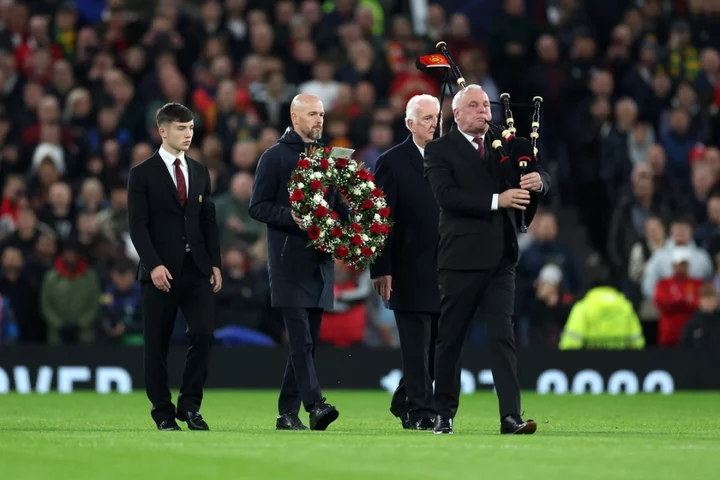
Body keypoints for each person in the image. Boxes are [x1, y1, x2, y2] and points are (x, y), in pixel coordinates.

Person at [423, 84, 551, 435]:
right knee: (450, 338)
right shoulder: (438, 150)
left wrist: (540, 181)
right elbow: (447, 198)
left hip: (500, 259)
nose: (484, 111)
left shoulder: (505, 144)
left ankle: (511, 416)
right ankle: (443, 414)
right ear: (457, 113)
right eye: (475, 106)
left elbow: (537, 169)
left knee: (502, 338)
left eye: (486, 106)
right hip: (460, 258)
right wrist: (498, 199)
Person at [249, 93, 348, 431]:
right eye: (312, 114)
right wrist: (291, 216)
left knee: (308, 344)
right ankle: (316, 405)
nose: (319, 120)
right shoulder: (274, 157)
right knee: (302, 341)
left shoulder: (329, 158)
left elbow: (337, 205)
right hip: (288, 262)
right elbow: (257, 206)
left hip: (320, 262)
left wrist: (356, 223)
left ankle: (286, 414)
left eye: (321, 114)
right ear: (294, 117)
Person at [128, 103, 222, 431]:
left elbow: (208, 220)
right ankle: (163, 411)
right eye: (182, 128)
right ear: (163, 131)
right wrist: (153, 265)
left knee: (205, 333)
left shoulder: (199, 171)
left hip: (196, 269)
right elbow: (137, 225)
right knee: (157, 344)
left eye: (192, 128)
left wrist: (215, 263)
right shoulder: (142, 174)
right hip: (159, 273)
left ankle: (191, 405)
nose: (189, 134)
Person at [370, 94, 441, 430]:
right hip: (408, 268)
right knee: (416, 348)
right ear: (410, 124)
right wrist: (381, 267)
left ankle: (404, 399)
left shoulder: (451, 157)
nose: (434, 124)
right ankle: (421, 413)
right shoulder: (392, 161)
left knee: (437, 352)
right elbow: (381, 218)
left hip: (448, 267)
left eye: (437, 117)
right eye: (426, 118)